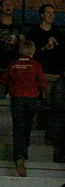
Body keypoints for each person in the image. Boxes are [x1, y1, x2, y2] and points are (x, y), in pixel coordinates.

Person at [0, 39, 47, 176]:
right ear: (33, 52)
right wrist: (38, 92)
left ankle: (19, 156)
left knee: (18, 127)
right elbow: (43, 83)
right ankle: (24, 151)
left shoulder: (13, 64)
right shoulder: (36, 65)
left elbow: (3, 80)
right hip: (31, 99)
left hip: (17, 99)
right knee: (27, 126)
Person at [27, 3, 63, 74]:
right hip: (39, 63)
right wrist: (45, 47)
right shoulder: (34, 32)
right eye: (48, 13)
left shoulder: (57, 32)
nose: (51, 15)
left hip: (54, 65)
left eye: (52, 13)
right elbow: (30, 51)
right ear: (42, 15)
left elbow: (63, 50)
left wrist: (56, 43)